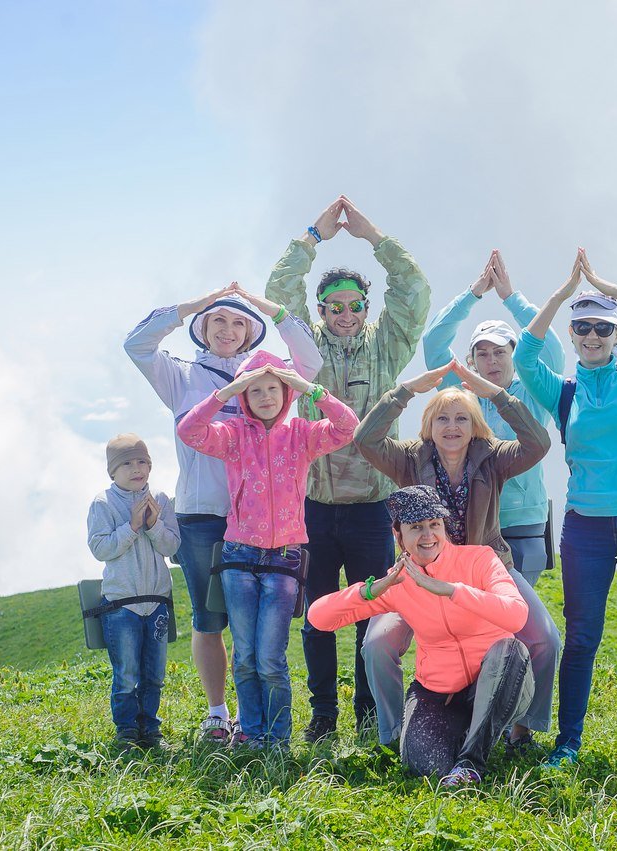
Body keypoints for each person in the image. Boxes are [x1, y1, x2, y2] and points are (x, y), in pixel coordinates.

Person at [125, 281, 322, 743]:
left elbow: (310, 363)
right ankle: (218, 712)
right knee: (209, 618)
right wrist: (188, 305)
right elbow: (136, 344)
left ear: (252, 331)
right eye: (217, 320)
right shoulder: (181, 376)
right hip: (201, 512)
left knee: (253, 627)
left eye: (238, 322)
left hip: (259, 523)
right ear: (202, 328)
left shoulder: (264, 377)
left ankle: (255, 722)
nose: (228, 330)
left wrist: (269, 308)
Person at [265, 196, 431, 743]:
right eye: (333, 305)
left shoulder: (388, 345)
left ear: (365, 307)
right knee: (317, 614)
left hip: (372, 509)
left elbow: (414, 292)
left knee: (369, 610)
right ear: (321, 309)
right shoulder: (305, 347)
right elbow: (278, 292)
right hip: (313, 504)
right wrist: (312, 236)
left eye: (353, 305)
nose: (343, 314)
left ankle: (365, 709)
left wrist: (372, 236)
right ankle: (323, 715)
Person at [513, 248, 617, 781]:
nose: (590, 337)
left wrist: (607, 285)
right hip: (585, 526)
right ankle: (568, 744)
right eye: (581, 328)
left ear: (615, 336)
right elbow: (524, 356)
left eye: (601, 329)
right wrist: (562, 294)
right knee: (582, 638)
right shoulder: (562, 391)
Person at [354, 358, 559, 753]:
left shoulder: (493, 458)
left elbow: (539, 444)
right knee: (377, 645)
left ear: (475, 426)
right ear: (429, 426)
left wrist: (496, 395)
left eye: (462, 419)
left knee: (545, 639)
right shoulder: (410, 460)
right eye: (443, 419)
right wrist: (406, 390)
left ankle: (523, 729)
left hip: (487, 571)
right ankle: (396, 735)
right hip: (419, 575)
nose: (452, 427)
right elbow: (366, 440)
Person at [177, 351, 357, 748]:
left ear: (286, 392)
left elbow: (347, 426)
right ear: (243, 396)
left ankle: (276, 739)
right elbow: (189, 431)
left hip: (285, 560)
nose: (263, 396)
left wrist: (311, 389)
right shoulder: (232, 435)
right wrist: (227, 390)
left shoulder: (302, 435)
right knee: (244, 656)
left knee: (270, 659)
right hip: (238, 557)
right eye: (253, 390)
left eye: (271, 388)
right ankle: (252, 734)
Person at [307, 486, 533, 787]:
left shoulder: (480, 559)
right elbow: (319, 618)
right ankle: (466, 737)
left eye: (434, 525)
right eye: (416, 527)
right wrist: (371, 589)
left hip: (501, 680)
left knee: (509, 650)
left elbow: (517, 614)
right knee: (424, 766)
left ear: (444, 527)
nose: (428, 535)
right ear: (398, 535)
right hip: (439, 692)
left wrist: (452, 590)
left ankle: (471, 762)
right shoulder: (399, 581)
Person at [421, 249, 565, 586]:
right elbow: (433, 344)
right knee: (474, 622)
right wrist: (473, 294)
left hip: (523, 522)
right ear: (470, 362)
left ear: (515, 355)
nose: (492, 361)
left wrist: (510, 298)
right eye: (482, 354)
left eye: (500, 352)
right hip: (470, 518)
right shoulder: (462, 392)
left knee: (517, 622)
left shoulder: (533, 390)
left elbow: (553, 351)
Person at [86, 434, 180, 750]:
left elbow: (172, 546)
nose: (136, 468)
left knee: (154, 674)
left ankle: (150, 729)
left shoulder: (162, 500)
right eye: (126, 463)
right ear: (112, 471)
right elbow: (100, 548)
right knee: (126, 674)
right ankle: (126, 730)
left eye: (142, 461)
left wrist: (153, 525)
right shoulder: (103, 503)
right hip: (120, 606)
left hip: (155, 603)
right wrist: (133, 526)